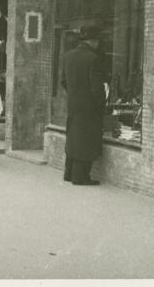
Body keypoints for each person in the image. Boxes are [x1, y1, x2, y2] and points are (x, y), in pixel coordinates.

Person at [61, 25, 107, 186]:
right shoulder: (93, 58)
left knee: (74, 137)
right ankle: (80, 177)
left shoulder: (68, 56)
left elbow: (63, 81)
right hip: (89, 107)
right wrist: (101, 105)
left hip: (73, 104)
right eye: (97, 41)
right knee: (86, 140)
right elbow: (97, 88)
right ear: (93, 41)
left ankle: (68, 173)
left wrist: (74, 94)